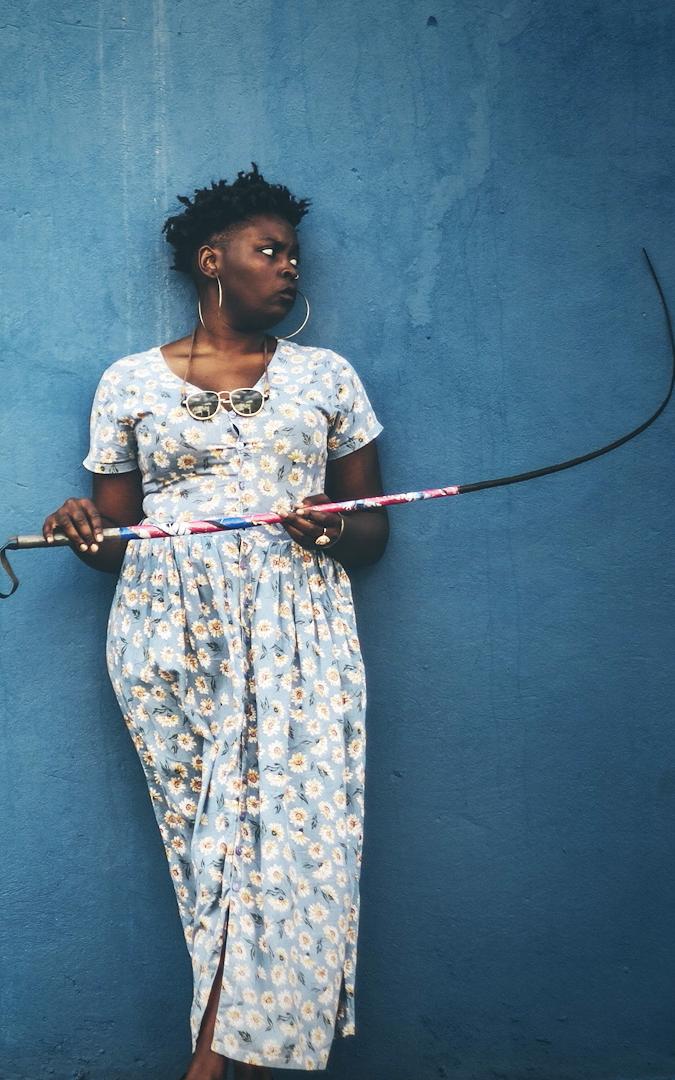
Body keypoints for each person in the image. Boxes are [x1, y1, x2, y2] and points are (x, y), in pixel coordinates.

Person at [42, 165, 388, 1079]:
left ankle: (212, 1064)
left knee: (293, 842)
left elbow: (374, 529)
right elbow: (118, 536)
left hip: (297, 628)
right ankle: (237, 1056)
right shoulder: (127, 383)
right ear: (211, 261)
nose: (289, 270)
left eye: (293, 257)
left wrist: (333, 528)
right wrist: (79, 529)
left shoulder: (327, 378)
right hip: (165, 635)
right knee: (211, 846)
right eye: (269, 252)